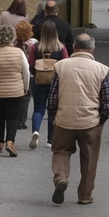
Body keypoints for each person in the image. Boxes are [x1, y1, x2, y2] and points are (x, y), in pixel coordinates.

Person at [47, 33, 109, 205]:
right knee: (90, 158)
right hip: (90, 121)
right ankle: (85, 195)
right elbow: (108, 100)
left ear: (73, 47)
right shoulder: (101, 69)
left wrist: (54, 116)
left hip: (64, 120)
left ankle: (61, 177)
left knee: (61, 151)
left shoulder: (61, 66)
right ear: (93, 48)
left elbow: (53, 96)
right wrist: (101, 120)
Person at [0, 24, 32, 156]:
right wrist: (25, 87)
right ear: (13, 38)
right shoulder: (19, 53)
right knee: (13, 116)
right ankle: (10, 142)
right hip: (15, 90)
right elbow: (26, 72)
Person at [28, 19, 67, 150]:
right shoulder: (61, 48)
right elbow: (66, 64)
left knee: (38, 109)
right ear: (55, 32)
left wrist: (37, 72)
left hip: (39, 82)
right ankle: (50, 140)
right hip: (55, 83)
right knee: (53, 110)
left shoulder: (35, 47)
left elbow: (31, 65)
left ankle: (35, 131)